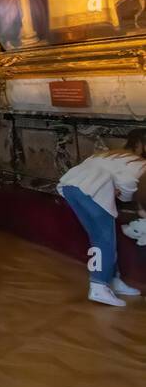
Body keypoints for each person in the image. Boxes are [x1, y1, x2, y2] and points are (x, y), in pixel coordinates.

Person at [56, 131, 146, 307]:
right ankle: (99, 286)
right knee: (104, 238)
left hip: (71, 187)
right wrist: (125, 195)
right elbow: (129, 187)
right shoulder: (141, 165)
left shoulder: (114, 154)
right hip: (93, 190)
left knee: (98, 236)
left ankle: (112, 280)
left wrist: (118, 191)